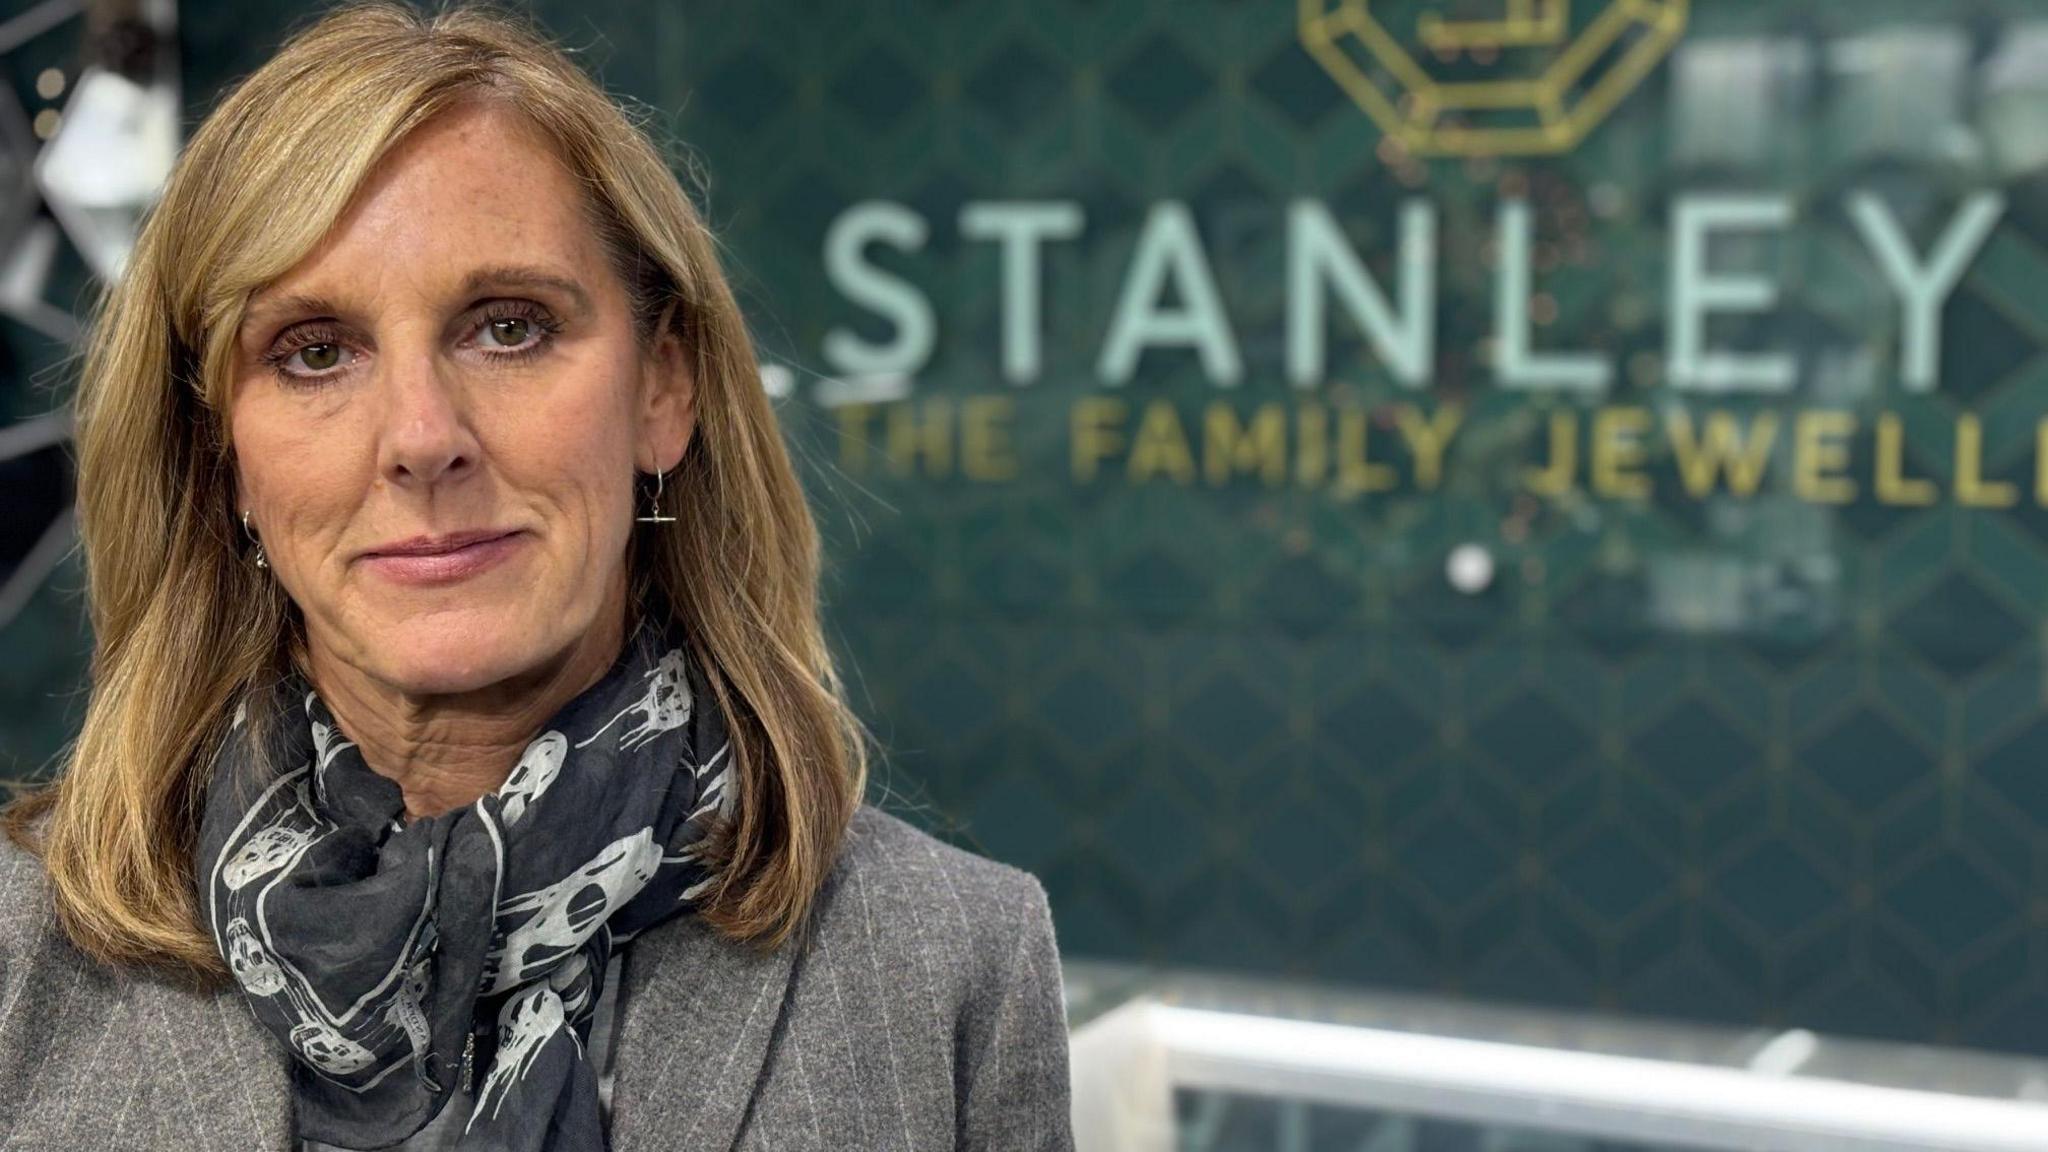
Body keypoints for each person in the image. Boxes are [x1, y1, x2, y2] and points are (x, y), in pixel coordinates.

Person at [0, 3, 1074, 1149]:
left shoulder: (954, 960)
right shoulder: (15, 951)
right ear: (222, 457)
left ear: (663, 388)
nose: (421, 436)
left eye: (507, 328)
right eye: (314, 352)